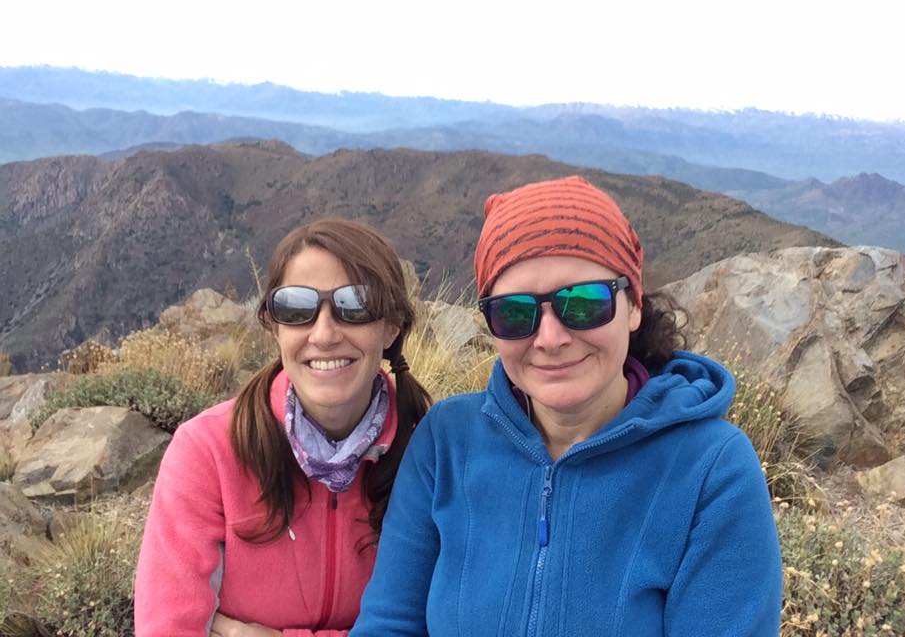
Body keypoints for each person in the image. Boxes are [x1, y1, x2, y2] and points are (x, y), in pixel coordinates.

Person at [351, 176, 782, 636]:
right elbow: (389, 624)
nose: (551, 338)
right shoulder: (447, 441)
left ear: (633, 306)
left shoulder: (712, 470)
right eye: (515, 312)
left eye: (583, 303)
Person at [134, 219, 431, 637]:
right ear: (274, 325)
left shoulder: (429, 455)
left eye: (355, 305)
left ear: (391, 326)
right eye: (296, 308)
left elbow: (436, 623)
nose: (324, 334)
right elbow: (168, 627)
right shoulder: (207, 452)